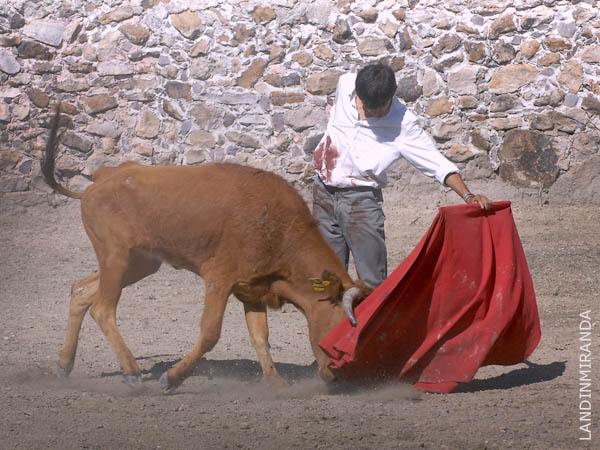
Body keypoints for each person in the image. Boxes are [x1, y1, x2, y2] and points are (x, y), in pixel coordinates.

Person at [312, 63, 492, 288]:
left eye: (380, 108)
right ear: (357, 92)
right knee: (325, 279)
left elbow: (437, 163)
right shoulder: (346, 83)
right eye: (368, 106)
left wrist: (468, 195)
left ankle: (374, 323)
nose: (373, 113)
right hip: (322, 193)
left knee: (372, 283)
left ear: (391, 97)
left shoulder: (403, 124)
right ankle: (328, 323)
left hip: (360, 202)